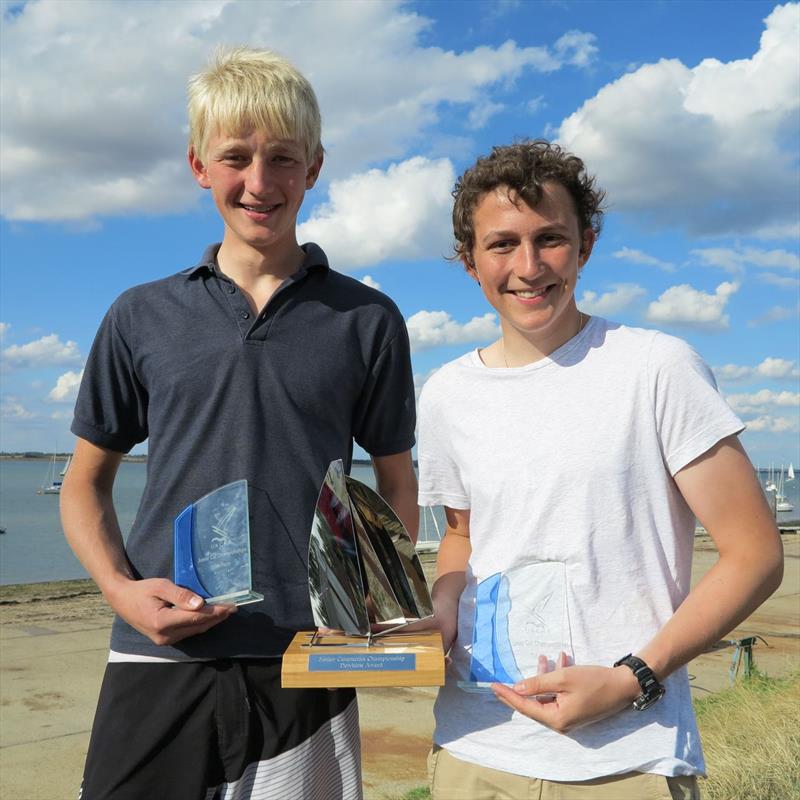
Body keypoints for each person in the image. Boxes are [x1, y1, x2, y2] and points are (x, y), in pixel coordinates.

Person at [61, 46, 418, 800]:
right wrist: (121, 590)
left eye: (283, 159)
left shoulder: (367, 319)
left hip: (309, 655)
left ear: (314, 168)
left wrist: (376, 608)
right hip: (160, 650)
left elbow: (394, 481)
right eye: (236, 157)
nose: (260, 182)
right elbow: (84, 486)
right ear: (199, 166)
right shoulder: (140, 315)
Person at [417, 140, 783, 800]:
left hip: (623, 758)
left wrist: (633, 677)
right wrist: (443, 607)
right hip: (475, 747)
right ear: (470, 262)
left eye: (549, 239)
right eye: (502, 245)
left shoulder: (656, 369)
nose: (528, 267)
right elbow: (463, 536)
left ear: (584, 246)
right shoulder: (446, 392)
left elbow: (755, 553)